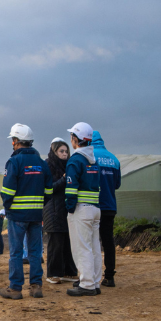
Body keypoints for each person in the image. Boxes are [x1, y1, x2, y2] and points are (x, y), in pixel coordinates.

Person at [0, 123, 52, 300]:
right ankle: (36, 286)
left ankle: (15, 288)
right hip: (36, 215)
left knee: (16, 252)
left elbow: (7, 192)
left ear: (16, 141)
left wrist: (8, 207)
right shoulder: (41, 163)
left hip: (17, 215)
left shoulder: (14, 162)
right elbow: (49, 191)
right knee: (35, 251)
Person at [65, 122, 102, 297]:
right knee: (94, 247)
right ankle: (94, 282)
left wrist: (70, 209)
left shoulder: (75, 160)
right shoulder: (93, 160)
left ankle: (86, 284)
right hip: (95, 209)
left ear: (76, 140)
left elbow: (71, 190)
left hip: (81, 210)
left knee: (83, 248)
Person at [43, 138, 78, 284]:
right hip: (52, 209)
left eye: (66, 151)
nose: (64, 154)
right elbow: (49, 188)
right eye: (61, 151)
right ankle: (53, 274)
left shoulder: (69, 166)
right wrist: (64, 180)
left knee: (68, 242)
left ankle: (69, 272)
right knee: (55, 243)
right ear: (54, 152)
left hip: (66, 209)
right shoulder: (47, 166)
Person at [93, 131, 121, 287]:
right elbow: (117, 184)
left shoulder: (90, 157)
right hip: (110, 206)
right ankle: (109, 276)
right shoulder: (114, 159)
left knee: (93, 241)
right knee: (108, 241)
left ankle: (92, 277)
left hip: (93, 205)